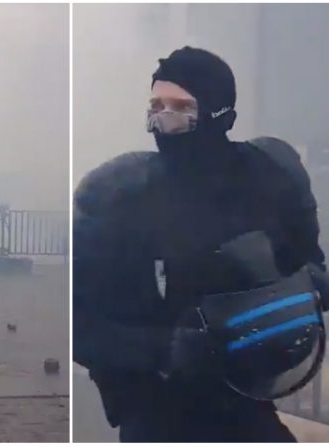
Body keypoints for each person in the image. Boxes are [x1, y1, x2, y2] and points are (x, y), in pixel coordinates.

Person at [72, 47, 329, 442]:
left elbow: (304, 262)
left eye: (181, 105)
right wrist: (163, 350)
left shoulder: (266, 175)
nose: (164, 117)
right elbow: (81, 322)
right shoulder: (121, 196)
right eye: (156, 104)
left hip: (246, 395)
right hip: (158, 406)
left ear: (219, 112)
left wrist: (307, 288)